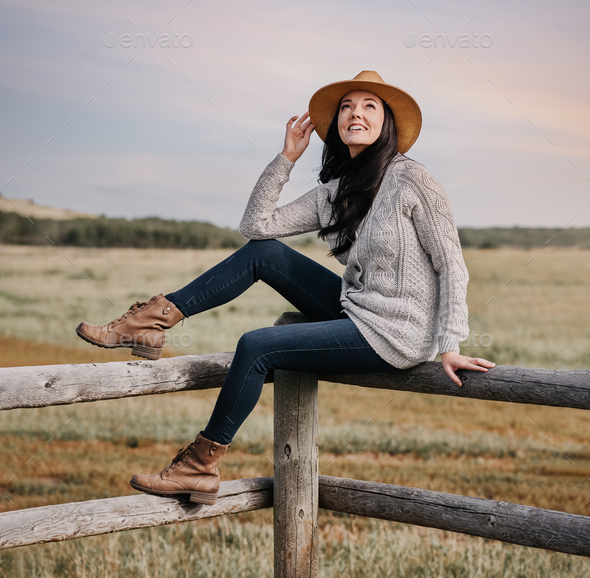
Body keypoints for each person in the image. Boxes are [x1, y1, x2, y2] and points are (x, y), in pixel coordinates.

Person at [76, 70, 495, 505]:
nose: (357, 113)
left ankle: (200, 466)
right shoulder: (333, 193)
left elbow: (451, 263)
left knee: (257, 346)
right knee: (266, 253)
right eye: (347, 106)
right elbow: (255, 227)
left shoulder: (413, 180)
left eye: (370, 106)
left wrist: (449, 343)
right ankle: (152, 321)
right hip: (356, 311)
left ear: (386, 122)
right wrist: (286, 159)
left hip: (395, 333)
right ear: (335, 125)